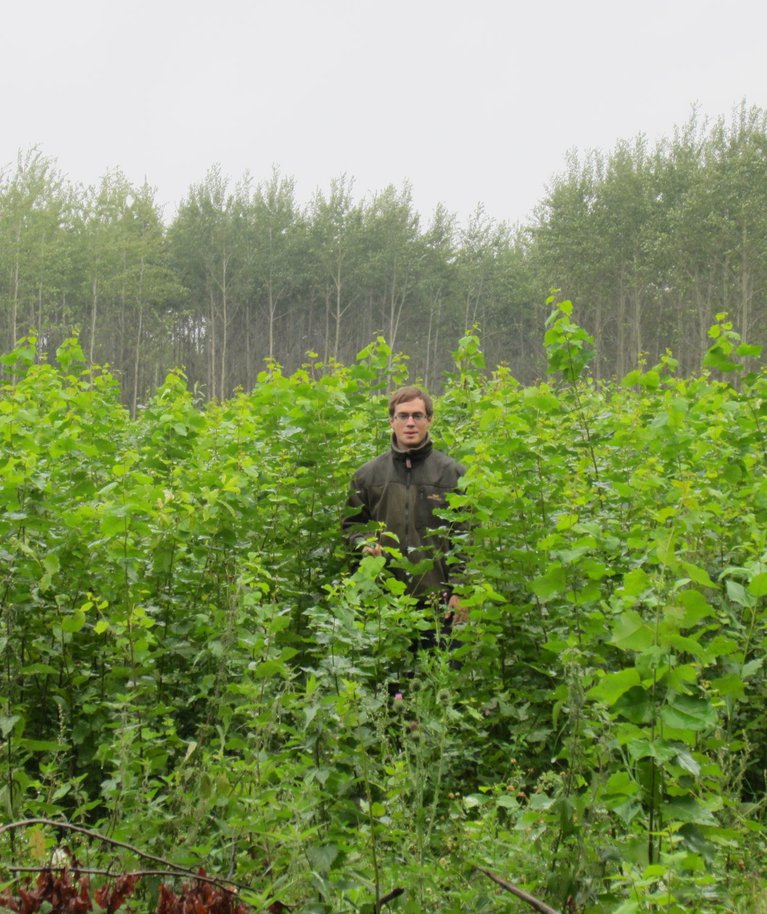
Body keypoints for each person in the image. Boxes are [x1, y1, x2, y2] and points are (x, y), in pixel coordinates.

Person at [343, 385, 467, 632]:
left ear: (429, 420)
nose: (410, 423)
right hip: (383, 600)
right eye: (403, 416)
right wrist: (365, 544)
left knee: (441, 670)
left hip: (439, 603)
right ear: (392, 421)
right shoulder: (367, 476)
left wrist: (461, 589)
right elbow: (352, 528)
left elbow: (465, 537)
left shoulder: (452, 474)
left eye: (417, 415)